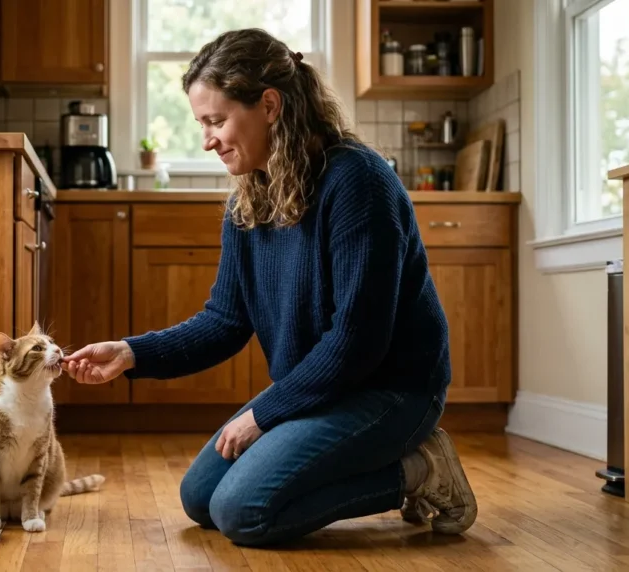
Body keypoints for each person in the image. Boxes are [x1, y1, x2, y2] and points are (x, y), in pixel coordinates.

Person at [61, 28, 477, 547]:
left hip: (391, 390)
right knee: (200, 498)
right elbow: (224, 321)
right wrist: (130, 354)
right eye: (201, 124)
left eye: (216, 121)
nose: (207, 140)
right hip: (321, 388)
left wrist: (264, 414)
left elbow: (357, 342)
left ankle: (420, 470)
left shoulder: (358, 181)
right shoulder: (248, 199)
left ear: (270, 106)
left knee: (243, 512)